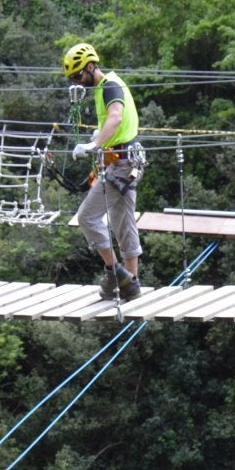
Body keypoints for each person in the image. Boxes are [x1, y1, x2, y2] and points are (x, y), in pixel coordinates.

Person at [62, 42, 144, 301]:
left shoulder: (108, 85)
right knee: (123, 221)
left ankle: (114, 273)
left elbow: (116, 117)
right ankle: (131, 283)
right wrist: (101, 137)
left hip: (121, 163)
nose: (77, 81)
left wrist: (93, 145)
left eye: (78, 75)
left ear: (90, 66)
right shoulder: (106, 86)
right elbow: (114, 123)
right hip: (127, 160)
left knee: (87, 217)